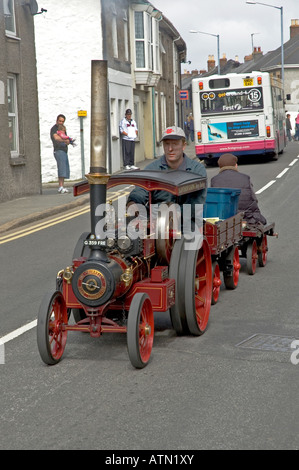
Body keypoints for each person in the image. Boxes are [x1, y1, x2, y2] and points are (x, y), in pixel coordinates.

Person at [127, 126, 207, 230]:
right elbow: (141, 189)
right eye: (167, 144)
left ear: (183, 145)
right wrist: (133, 202)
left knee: (190, 240)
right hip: (156, 223)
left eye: (174, 144)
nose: (170, 149)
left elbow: (197, 202)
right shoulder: (152, 169)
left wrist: (175, 215)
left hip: (186, 222)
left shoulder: (197, 170)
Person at [210, 153, 267, 226]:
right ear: (236, 165)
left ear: (220, 167)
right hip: (246, 217)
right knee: (262, 221)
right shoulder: (245, 178)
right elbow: (254, 199)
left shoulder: (214, 180)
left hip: (223, 218)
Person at [50, 114, 70, 193]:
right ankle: (60, 187)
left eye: (62, 121)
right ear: (57, 120)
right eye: (60, 121)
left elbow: (67, 140)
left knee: (64, 168)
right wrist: (64, 140)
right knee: (61, 168)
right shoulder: (54, 129)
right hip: (58, 150)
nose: (61, 122)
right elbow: (56, 138)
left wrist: (66, 141)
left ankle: (62, 186)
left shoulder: (63, 128)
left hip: (64, 150)